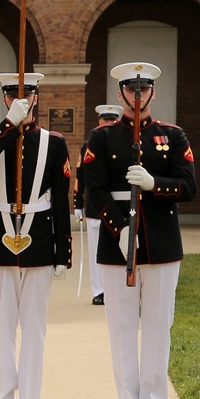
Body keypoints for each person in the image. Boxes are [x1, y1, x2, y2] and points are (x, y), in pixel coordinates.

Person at [84, 61, 196, 399]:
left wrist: (153, 184)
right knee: (121, 327)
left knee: (158, 325)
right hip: (118, 246)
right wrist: (117, 228)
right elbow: (95, 188)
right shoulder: (101, 138)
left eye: (143, 89)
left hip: (161, 244)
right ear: (120, 94)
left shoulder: (172, 136)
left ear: (152, 92)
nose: (137, 95)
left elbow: (189, 187)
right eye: (130, 89)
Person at [0, 73, 72, 399]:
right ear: (4, 99)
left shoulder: (54, 143)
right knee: (2, 328)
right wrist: (9, 124)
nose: (22, 100)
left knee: (34, 329)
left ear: (37, 97)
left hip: (40, 240)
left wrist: (64, 252)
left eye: (27, 94)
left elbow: (61, 199)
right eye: (15, 95)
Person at [74, 103, 122, 304]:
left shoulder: (125, 143)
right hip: (96, 208)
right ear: (99, 121)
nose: (108, 123)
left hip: (119, 207)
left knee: (120, 249)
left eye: (112, 120)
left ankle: (117, 289)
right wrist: (77, 203)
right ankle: (99, 291)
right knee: (96, 251)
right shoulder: (88, 145)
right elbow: (80, 176)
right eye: (105, 119)